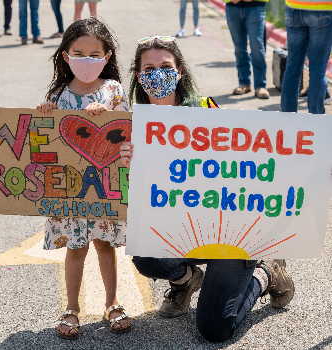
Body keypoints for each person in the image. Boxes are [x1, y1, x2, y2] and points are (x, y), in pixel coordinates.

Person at [119, 36, 295, 342]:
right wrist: (126, 166)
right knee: (142, 251)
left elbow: (251, 164)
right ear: (137, 76)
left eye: (165, 66)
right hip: (183, 231)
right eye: (148, 68)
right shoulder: (133, 126)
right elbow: (135, 199)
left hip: (230, 236)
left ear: (180, 71)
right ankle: (186, 280)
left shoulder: (206, 109)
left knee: (214, 329)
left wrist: (312, 165)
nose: (157, 74)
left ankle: (266, 272)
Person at [36, 18, 131, 339]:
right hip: (71, 189)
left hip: (103, 186)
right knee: (75, 249)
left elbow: (128, 130)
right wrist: (44, 114)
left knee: (106, 245)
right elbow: (44, 141)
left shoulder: (113, 90)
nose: (86, 61)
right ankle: (71, 307)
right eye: (78, 53)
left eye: (94, 54)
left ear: (106, 57)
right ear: (65, 55)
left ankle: (112, 302)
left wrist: (108, 116)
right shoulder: (58, 94)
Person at [281, 2, 332, 114]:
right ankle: (315, 120)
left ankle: (286, 119)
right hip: (322, 8)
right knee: (318, 70)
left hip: (293, 7)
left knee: (292, 66)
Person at [224, 0, 270, 99]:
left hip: (256, 5)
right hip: (233, 6)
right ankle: (244, 83)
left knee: (257, 46)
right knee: (239, 48)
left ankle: (260, 85)